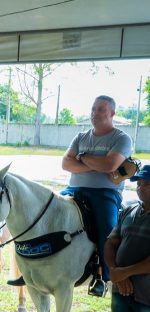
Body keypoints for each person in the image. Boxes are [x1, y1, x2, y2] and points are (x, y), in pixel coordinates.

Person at [60, 95, 133, 297]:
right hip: (73, 190)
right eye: (93, 109)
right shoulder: (80, 137)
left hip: (105, 194)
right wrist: (96, 164)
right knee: (50, 210)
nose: (95, 113)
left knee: (108, 229)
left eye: (101, 109)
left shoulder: (121, 138)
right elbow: (66, 164)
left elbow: (110, 165)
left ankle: (106, 277)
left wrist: (81, 158)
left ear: (112, 113)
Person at [106, 165, 150, 312]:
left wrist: (124, 272)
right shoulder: (130, 209)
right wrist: (116, 271)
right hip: (122, 291)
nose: (140, 188)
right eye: (139, 183)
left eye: (146, 184)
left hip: (147, 296)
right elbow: (111, 243)